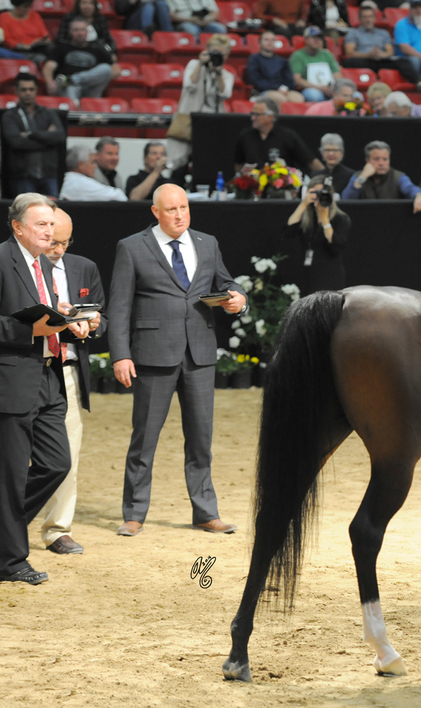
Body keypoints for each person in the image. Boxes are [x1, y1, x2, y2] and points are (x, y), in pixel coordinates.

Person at [108, 184, 247, 537]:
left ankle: (205, 512)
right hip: (153, 354)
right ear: (155, 212)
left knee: (201, 438)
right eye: (171, 209)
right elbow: (120, 306)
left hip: (199, 353)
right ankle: (135, 512)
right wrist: (120, 355)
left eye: (184, 207)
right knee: (145, 438)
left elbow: (227, 282)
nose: (180, 214)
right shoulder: (132, 246)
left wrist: (238, 299)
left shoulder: (207, 243)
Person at [0, 193, 90, 585]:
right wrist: (27, 330)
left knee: (57, 464)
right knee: (12, 474)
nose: (49, 231)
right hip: (13, 379)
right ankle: (11, 560)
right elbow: (19, 322)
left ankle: (6, 527)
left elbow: (43, 314)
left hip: (50, 377)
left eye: (51, 224)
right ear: (17, 226)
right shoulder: (3, 259)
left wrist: (67, 320)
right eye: (41, 224)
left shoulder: (42, 265)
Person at [37, 208, 105, 556]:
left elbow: (100, 316)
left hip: (68, 368)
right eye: (51, 241)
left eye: (64, 242)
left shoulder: (84, 267)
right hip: (28, 364)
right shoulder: (24, 268)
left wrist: (91, 323)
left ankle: (58, 529)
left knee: (68, 452)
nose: (57, 249)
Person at [166, 33, 233, 169]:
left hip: (211, 122)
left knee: (205, 162)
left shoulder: (226, 75)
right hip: (188, 120)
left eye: (222, 54)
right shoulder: (194, 65)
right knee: (179, 162)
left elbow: (224, 94)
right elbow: (189, 84)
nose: (217, 56)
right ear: (206, 51)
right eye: (215, 52)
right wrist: (201, 65)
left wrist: (218, 72)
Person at [1, 73, 65, 198]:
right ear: (16, 91)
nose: (28, 93)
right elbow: (16, 143)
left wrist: (31, 134)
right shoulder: (10, 116)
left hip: (49, 175)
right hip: (23, 177)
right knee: (26, 215)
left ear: (36, 90)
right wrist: (47, 139)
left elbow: (60, 137)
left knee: (52, 215)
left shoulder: (49, 113)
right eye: (24, 89)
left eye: (31, 89)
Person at [285, 174, 351, 294]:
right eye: (316, 193)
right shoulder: (309, 219)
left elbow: (336, 246)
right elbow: (289, 230)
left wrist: (325, 219)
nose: (320, 196)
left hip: (330, 275)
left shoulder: (340, 219)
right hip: (308, 275)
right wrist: (304, 204)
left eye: (323, 193)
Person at [233, 96, 324, 174]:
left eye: (257, 115)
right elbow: (239, 164)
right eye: (252, 114)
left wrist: (325, 176)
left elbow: (310, 160)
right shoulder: (245, 136)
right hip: (253, 187)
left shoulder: (287, 136)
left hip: (280, 189)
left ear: (270, 116)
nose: (253, 118)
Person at [42, 17, 114, 105]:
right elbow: (49, 66)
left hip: (90, 87)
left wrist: (93, 78)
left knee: (106, 68)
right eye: (76, 30)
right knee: (71, 88)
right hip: (68, 87)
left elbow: (114, 70)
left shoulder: (98, 50)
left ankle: (71, 79)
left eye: (83, 30)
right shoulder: (61, 48)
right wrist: (49, 82)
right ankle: (71, 86)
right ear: (70, 32)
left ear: (87, 32)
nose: (80, 33)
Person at [341, 140, 421, 213]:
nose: (381, 163)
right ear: (367, 161)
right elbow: (346, 201)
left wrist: (418, 196)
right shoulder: (358, 176)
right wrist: (362, 177)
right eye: (377, 159)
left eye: (385, 159)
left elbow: (410, 188)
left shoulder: (397, 176)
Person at [343, 5, 419, 86]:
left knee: (404, 62)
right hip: (364, 60)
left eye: (370, 16)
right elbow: (349, 52)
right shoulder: (353, 33)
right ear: (360, 19)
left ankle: (418, 83)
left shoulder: (383, 33)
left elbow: (390, 52)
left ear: (375, 18)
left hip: (381, 61)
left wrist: (381, 55)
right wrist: (368, 55)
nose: (368, 20)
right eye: (365, 17)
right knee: (349, 62)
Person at [246, 30, 305, 105]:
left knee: (298, 98)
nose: (269, 42)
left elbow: (289, 79)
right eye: (266, 40)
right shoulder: (254, 59)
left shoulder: (282, 61)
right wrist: (276, 88)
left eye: (272, 40)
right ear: (260, 43)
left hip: (283, 90)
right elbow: (254, 80)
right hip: (263, 91)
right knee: (280, 99)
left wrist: (285, 88)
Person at [290, 26, 341, 102]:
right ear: (306, 39)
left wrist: (335, 88)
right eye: (314, 37)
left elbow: (337, 75)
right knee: (314, 95)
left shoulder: (327, 54)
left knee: (354, 95)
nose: (317, 40)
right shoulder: (297, 56)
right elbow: (297, 80)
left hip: (330, 87)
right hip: (310, 88)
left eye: (319, 38)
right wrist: (319, 88)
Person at [59, 145, 128, 201]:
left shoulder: (71, 180)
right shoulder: (80, 182)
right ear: (81, 165)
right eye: (93, 162)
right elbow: (118, 195)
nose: (96, 166)